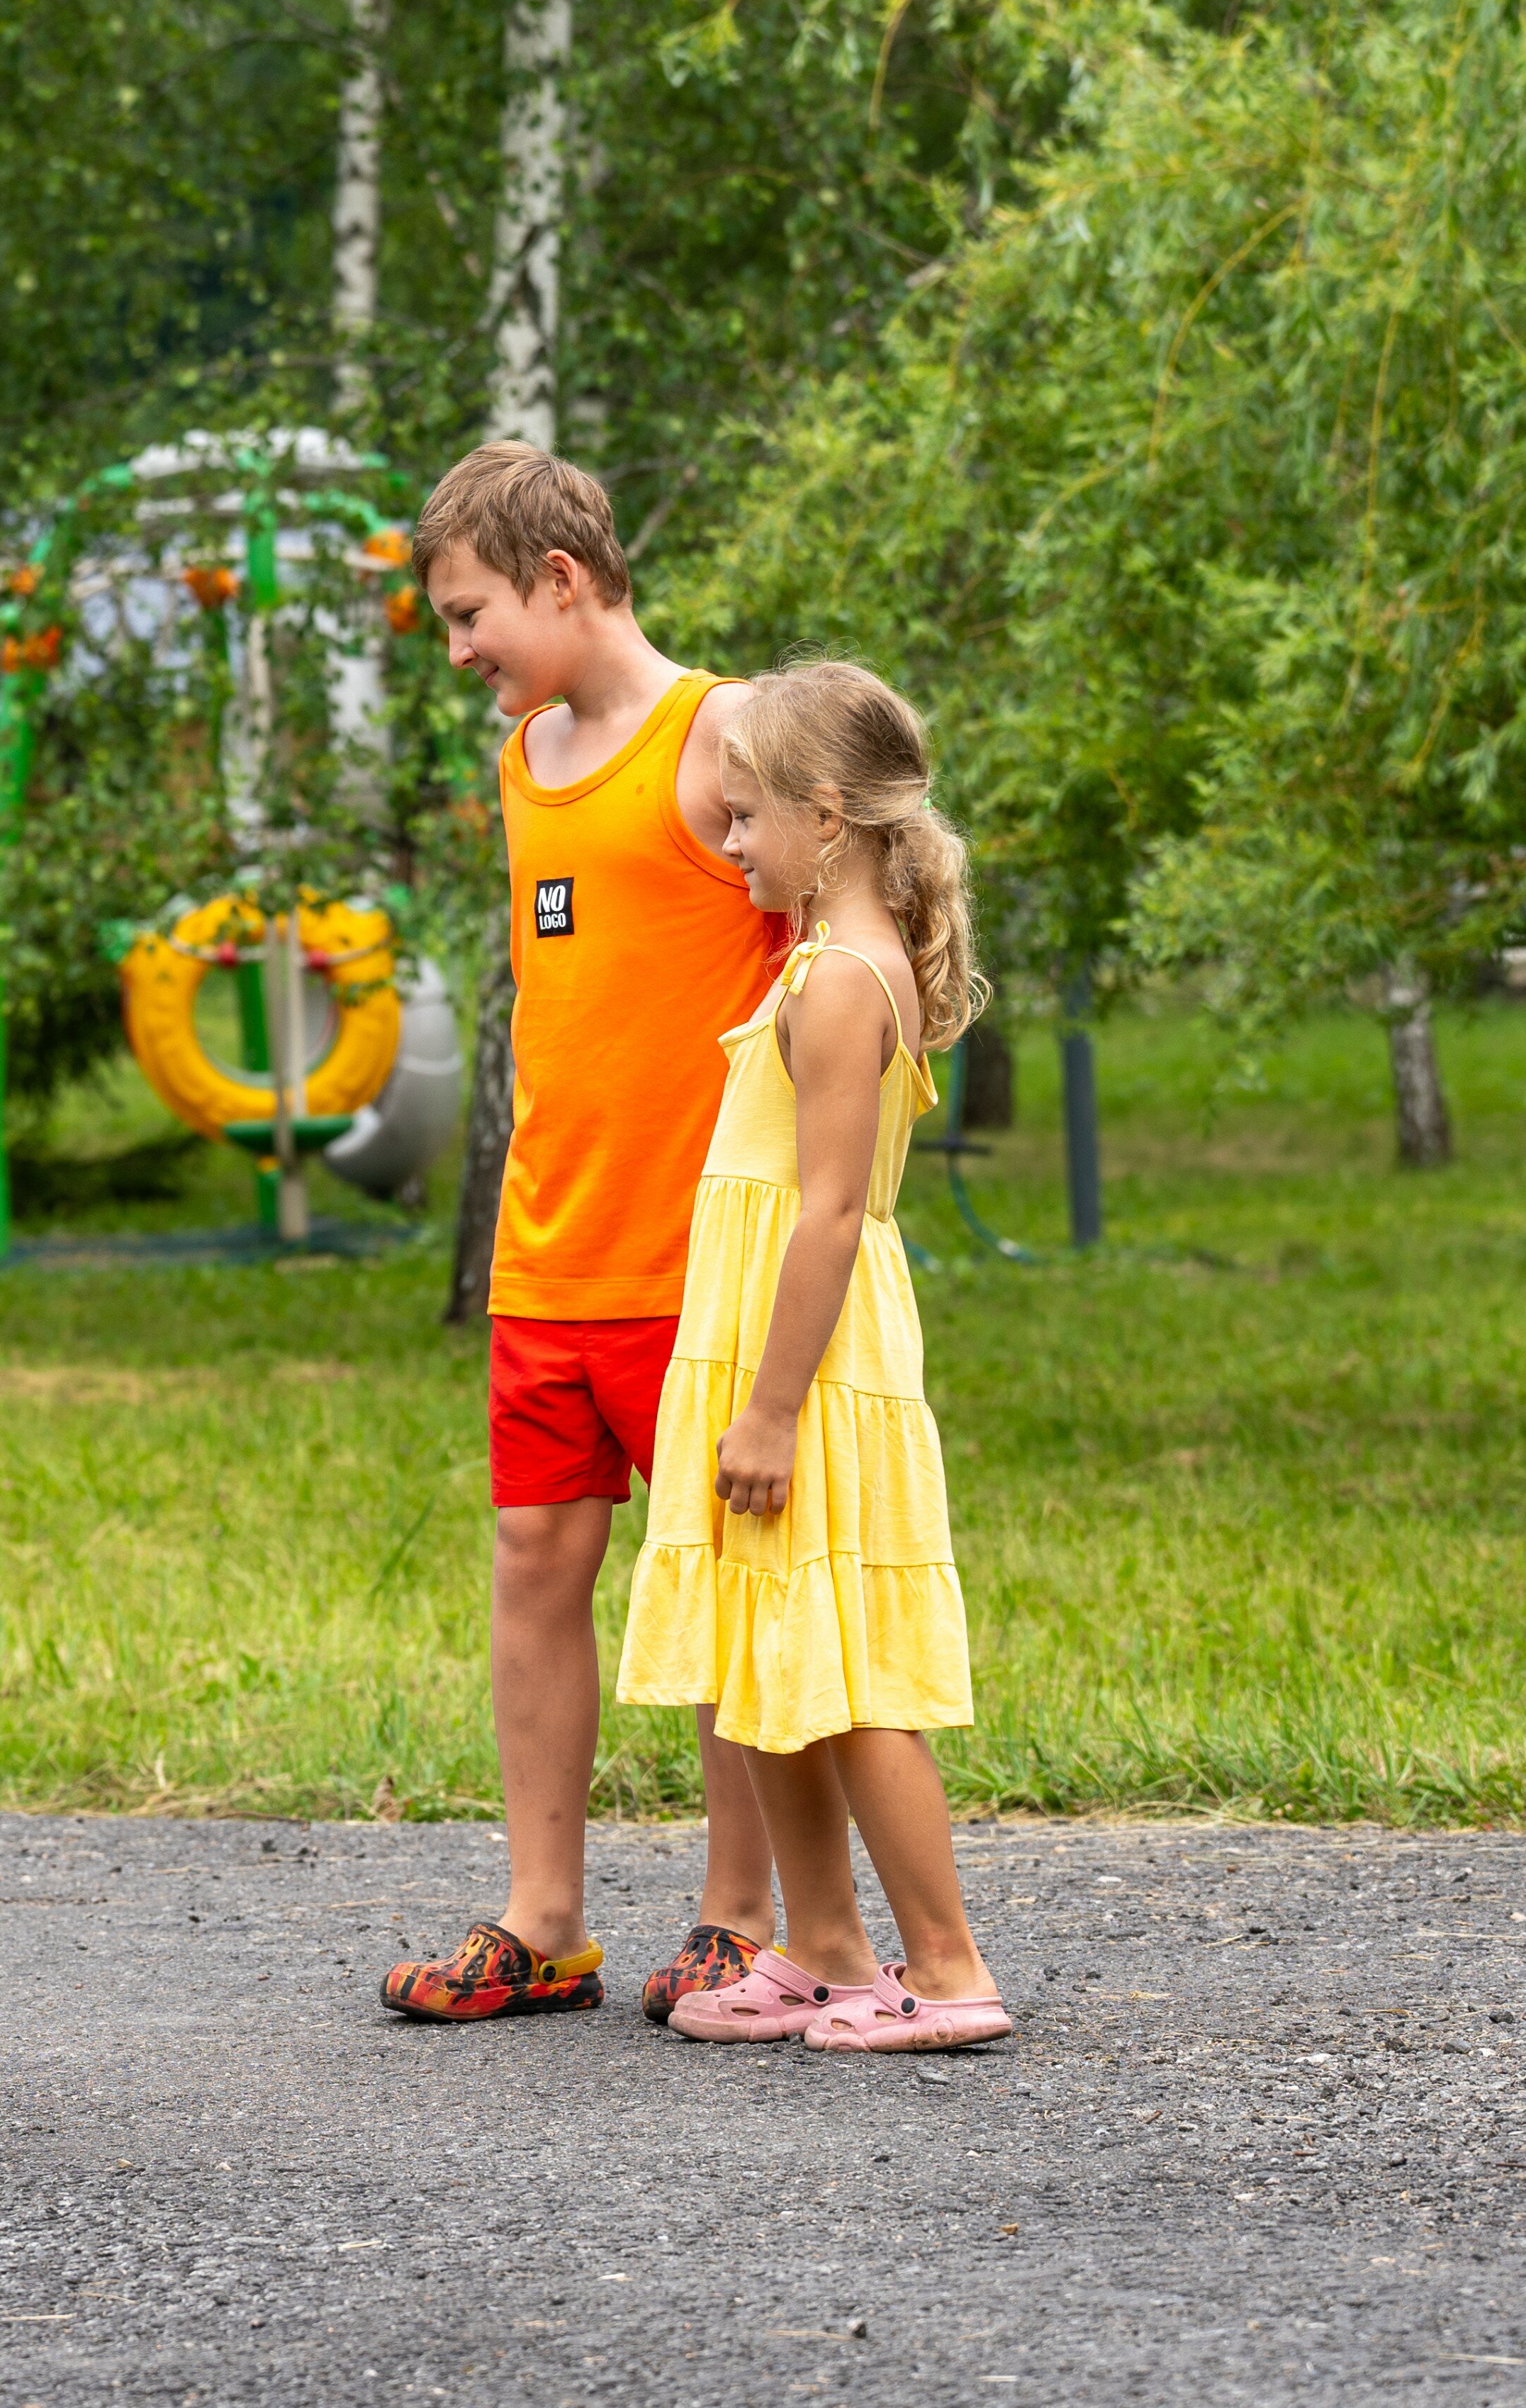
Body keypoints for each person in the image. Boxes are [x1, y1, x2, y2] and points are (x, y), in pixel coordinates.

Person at [377, 442, 836, 2027]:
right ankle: (542, 1919)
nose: (459, 651)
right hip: (545, 1256)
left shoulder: (722, 742)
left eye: (469, 613)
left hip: (692, 1264)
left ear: (559, 581)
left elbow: (843, 936)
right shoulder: (524, 758)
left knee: (707, 1584)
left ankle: (732, 1914)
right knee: (533, 1563)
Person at [619, 658, 1010, 2051]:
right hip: (760, 1357)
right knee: (766, 1655)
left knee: (844, 1680)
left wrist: (772, 1409)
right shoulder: (819, 960)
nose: (729, 843)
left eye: (745, 818)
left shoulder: (845, 980)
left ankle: (949, 1970)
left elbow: (832, 1213)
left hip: (811, 1370)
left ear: (826, 816)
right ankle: (824, 1946)